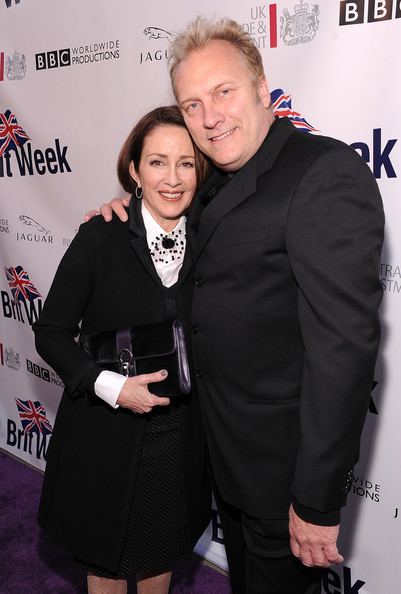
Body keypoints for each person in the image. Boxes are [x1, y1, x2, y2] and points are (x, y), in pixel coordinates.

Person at [95, 17, 384, 594]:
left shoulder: (322, 172)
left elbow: (343, 351)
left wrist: (317, 500)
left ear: (260, 86)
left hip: (284, 479)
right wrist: (125, 213)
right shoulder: (217, 179)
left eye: (223, 92)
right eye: (192, 103)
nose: (209, 117)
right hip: (223, 459)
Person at [33, 105, 211, 594]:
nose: (172, 178)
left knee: (160, 557)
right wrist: (111, 387)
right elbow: (50, 332)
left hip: (181, 437)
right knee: (106, 566)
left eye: (185, 163)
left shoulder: (213, 237)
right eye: (157, 162)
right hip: (105, 435)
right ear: (134, 171)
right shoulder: (100, 235)